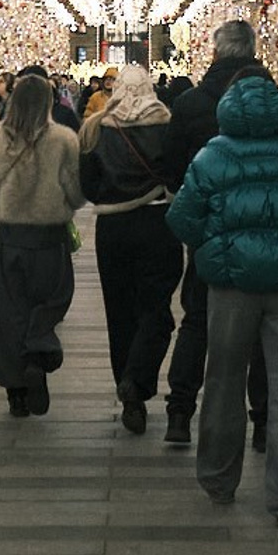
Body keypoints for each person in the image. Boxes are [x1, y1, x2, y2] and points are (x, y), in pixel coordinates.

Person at [167, 72, 278, 528]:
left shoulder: (213, 156)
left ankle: (218, 479)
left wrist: (213, 246)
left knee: (224, 381)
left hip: (229, 288)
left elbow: (182, 218)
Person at [162, 19, 273, 449]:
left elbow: (172, 170)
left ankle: (180, 411)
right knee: (264, 325)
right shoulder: (275, 102)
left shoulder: (191, 103)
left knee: (197, 320)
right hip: (267, 232)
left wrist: (194, 224)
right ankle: (262, 422)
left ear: (214, 51)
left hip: (210, 232)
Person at [79, 63, 193, 436]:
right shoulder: (166, 126)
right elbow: (180, 174)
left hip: (112, 228)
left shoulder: (97, 129)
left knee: (120, 310)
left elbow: (88, 185)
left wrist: (112, 196)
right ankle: (137, 378)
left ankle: (129, 389)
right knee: (157, 310)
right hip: (157, 224)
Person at [0, 69, 82, 417]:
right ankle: (38, 348)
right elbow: (76, 190)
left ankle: (16, 391)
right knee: (53, 298)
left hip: (11, 237)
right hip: (50, 235)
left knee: (9, 313)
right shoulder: (64, 139)